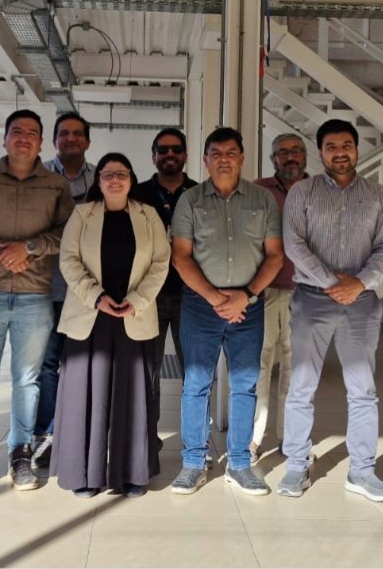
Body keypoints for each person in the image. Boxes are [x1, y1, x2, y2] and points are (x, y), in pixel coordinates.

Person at [0, 109, 74, 493]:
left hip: (34, 295)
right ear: (4, 139)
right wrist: (1, 253)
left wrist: (30, 248)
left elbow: (67, 233)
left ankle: (20, 455)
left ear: (41, 143)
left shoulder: (56, 185)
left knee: (27, 380)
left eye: (31, 133)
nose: (23, 138)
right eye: (16, 131)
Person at [277, 120, 383, 502]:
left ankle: (362, 471)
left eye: (346, 145)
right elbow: (294, 244)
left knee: (363, 389)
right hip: (312, 299)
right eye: (331, 146)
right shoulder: (303, 192)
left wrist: (359, 284)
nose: (340, 152)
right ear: (321, 152)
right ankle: (297, 465)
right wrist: (333, 282)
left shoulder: (379, 196)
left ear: (357, 149)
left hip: (361, 303)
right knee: (302, 386)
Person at [169, 127, 284, 496]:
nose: (223, 159)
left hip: (248, 308)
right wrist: (217, 299)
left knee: (245, 384)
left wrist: (245, 297)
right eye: (215, 153)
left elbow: (275, 256)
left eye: (230, 152)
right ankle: (193, 462)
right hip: (200, 306)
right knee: (196, 383)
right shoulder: (189, 200)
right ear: (205, 159)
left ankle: (239, 462)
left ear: (242, 158)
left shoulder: (263, 200)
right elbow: (180, 256)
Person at [51, 153, 170, 497]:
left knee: (131, 397)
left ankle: (131, 474)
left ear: (131, 179)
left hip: (134, 315)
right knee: (85, 397)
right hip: (90, 315)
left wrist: (138, 300)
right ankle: (84, 475)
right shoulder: (82, 214)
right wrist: (97, 296)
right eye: (107, 174)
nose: (115, 180)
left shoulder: (148, 215)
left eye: (121, 174)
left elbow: (161, 262)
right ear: (98, 180)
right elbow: (68, 261)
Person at [33, 112, 96, 468]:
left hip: (86, 290)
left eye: (77, 133)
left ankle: (75, 433)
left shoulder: (101, 179)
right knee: (46, 366)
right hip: (44, 287)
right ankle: (45, 435)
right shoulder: (38, 176)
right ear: (54, 140)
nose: (71, 139)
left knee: (82, 366)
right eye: (64, 133)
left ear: (87, 140)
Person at [129, 128, 198, 450]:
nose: (170, 154)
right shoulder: (137, 194)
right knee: (148, 370)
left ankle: (195, 441)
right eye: (163, 149)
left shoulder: (199, 194)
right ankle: (146, 439)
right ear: (153, 155)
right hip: (148, 296)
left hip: (191, 294)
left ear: (185, 155)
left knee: (194, 371)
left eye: (176, 149)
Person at [251, 133, 310, 457]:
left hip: (306, 293)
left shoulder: (320, 190)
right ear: (273, 158)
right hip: (265, 291)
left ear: (305, 156)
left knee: (296, 371)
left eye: (296, 150)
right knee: (258, 367)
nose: (290, 156)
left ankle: (291, 440)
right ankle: (253, 439)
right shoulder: (258, 191)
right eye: (282, 152)